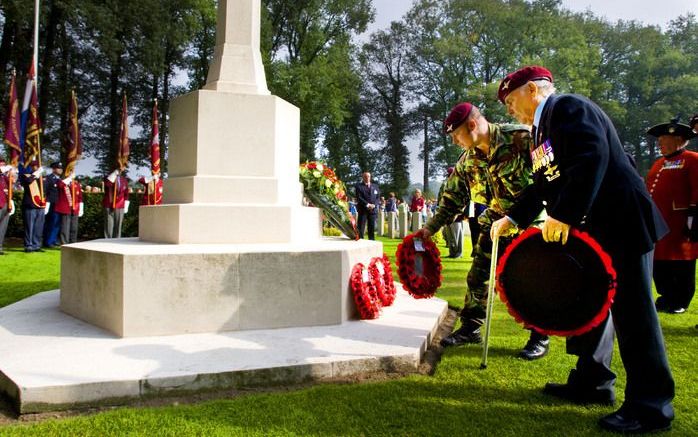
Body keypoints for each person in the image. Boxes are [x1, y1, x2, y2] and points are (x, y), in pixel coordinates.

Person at [493, 65, 674, 433]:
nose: (509, 110)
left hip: (623, 221)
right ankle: (592, 382)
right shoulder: (541, 132)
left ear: (532, 90)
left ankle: (651, 406)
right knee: (593, 305)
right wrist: (514, 217)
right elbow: (546, 183)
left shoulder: (568, 108)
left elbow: (591, 157)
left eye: (511, 100)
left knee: (634, 316)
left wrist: (564, 214)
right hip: (600, 228)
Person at [418, 102, 549, 359]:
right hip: (494, 224)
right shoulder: (468, 160)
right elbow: (452, 199)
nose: (456, 141)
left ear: (472, 125)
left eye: (457, 135)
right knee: (477, 277)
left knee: (531, 281)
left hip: (530, 222)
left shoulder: (524, 138)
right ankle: (470, 328)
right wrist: (429, 229)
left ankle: (539, 335)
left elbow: (550, 178)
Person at [645, 119, 698, 314]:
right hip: (659, 223)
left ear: (679, 140)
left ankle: (680, 300)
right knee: (661, 263)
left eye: (664, 139)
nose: (660, 143)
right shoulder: (659, 163)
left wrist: (693, 218)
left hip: (680, 223)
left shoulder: (692, 159)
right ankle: (666, 297)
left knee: (681, 263)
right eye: (659, 140)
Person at [438, 167, 464, 258]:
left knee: (456, 234)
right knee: (450, 234)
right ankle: (453, 252)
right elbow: (441, 198)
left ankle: (457, 253)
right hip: (447, 211)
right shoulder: (445, 184)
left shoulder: (460, 184)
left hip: (456, 213)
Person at [21, 162, 47, 252]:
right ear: (32, 167)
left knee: (38, 226)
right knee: (29, 226)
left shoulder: (42, 178)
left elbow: (46, 189)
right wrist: (35, 174)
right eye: (36, 166)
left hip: (41, 204)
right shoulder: (26, 176)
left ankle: (36, 245)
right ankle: (28, 245)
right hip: (30, 204)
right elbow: (27, 182)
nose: (37, 167)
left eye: (39, 166)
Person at [55, 172, 83, 244]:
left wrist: (81, 208)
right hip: (66, 208)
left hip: (75, 208)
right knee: (65, 228)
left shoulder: (76, 184)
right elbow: (60, 185)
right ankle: (64, 243)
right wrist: (69, 178)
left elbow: (80, 198)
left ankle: (73, 242)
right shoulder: (62, 182)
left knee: (74, 227)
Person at [103, 168, 130, 238]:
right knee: (109, 226)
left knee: (118, 226)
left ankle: (117, 241)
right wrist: (114, 174)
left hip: (120, 205)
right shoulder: (108, 178)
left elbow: (126, 194)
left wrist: (126, 205)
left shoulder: (124, 180)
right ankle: (107, 241)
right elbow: (107, 184)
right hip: (109, 205)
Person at [354, 172, 380, 240]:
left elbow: (378, 198)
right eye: (365, 176)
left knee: (371, 228)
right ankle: (360, 242)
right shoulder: (358, 186)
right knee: (361, 228)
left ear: (370, 177)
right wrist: (367, 204)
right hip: (363, 210)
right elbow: (359, 197)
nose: (367, 178)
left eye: (368, 176)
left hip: (372, 210)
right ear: (363, 177)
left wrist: (374, 205)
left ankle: (371, 242)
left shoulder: (375, 186)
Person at [42, 161, 63, 248]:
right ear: (53, 169)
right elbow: (45, 191)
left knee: (57, 223)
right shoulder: (49, 178)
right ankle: (48, 241)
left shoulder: (60, 179)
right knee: (50, 223)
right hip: (51, 204)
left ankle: (53, 240)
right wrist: (46, 202)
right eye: (58, 168)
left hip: (59, 204)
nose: (60, 170)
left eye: (61, 168)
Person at [0, 158, 16, 255]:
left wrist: (11, 174)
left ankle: (0, 247)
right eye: (1, 164)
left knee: (2, 227)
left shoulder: (3, 177)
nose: (3, 166)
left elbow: (12, 183)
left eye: (3, 164)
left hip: (5, 203)